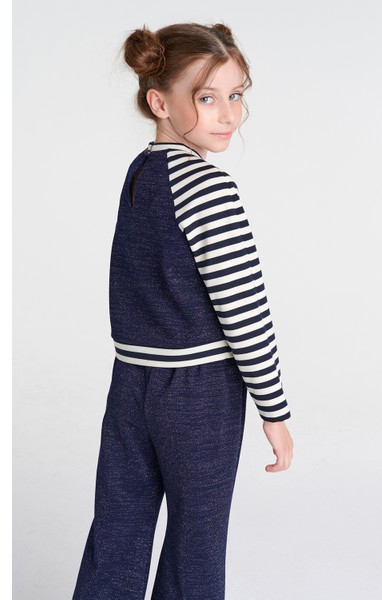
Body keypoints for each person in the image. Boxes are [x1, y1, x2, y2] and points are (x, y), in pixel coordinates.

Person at [72, 21, 294, 600]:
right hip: (199, 392)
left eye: (236, 94)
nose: (229, 114)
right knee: (197, 543)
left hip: (131, 383)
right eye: (207, 97)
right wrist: (273, 410)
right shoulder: (209, 188)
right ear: (159, 102)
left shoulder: (141, 174)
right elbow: (245, 309)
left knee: (116, 533)